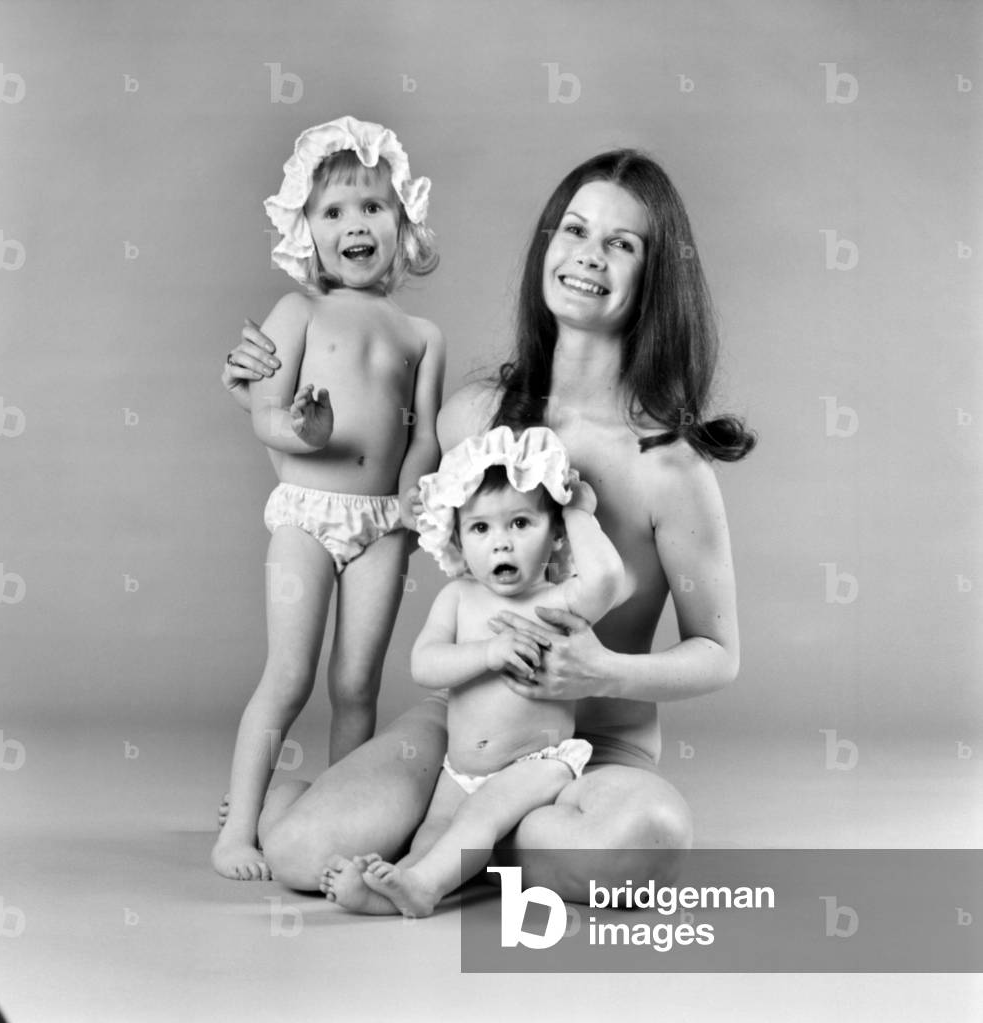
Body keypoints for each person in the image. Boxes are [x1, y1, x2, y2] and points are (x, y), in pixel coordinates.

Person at [222, 148, 755, 899]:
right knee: (300, 854)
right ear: (547, 245)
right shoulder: (474, 416)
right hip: (460, 727)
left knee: (651, 834)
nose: (587, 257)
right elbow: (358, 488)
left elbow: (718, 652)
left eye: (620, 243)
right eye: (573, 230)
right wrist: (258, 397)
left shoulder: (668, 467)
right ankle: (452, 834)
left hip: (590, 749)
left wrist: (604, 670)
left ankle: (452, 841)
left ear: (655, 277)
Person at [212, 117, 445, 881]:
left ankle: (344, 819)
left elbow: (422, 439)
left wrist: (414, 503)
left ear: (403, 223)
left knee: (357, 684)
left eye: (374, 207)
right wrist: (301, 430)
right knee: (289, 674)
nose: (355, 224)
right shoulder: (298, 312)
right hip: (309, 513)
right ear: (304, 229)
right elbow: (264, 412)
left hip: (382, 526)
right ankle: (239, 829)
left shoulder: (422, 334)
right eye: (334, 211)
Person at [320, 426, 627, 916]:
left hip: (537, 762)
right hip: (460, 768)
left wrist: (578, 510)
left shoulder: (557, 598)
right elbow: (425, 664)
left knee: (477, 819)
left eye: (521, 524)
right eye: (481, 528)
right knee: (434, 833)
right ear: (457, 539)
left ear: (555, 536)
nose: (500, 544)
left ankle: (423, 889)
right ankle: (396, 892)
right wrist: (488, 651)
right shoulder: (458, 598)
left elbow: (608, 579)